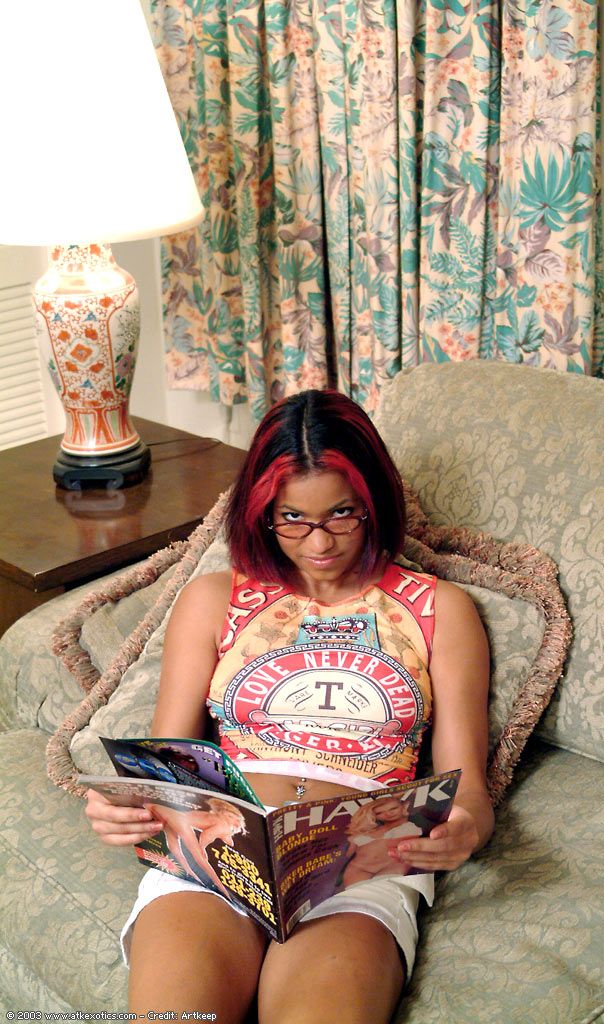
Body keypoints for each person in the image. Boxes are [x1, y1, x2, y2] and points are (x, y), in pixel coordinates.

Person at [86, 388, 494, 1024]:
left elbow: (469, 793)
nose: (319, 542)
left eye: (342, 514)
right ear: (262, 513)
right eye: (293, 518)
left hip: (358, 866)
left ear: (374, 503)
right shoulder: (214, 599)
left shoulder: (441, 610)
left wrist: (462, 829)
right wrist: (124, 805)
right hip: (217, 852)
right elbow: (166, 765)